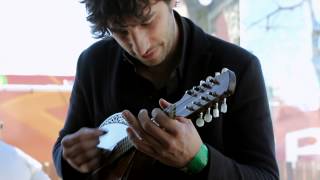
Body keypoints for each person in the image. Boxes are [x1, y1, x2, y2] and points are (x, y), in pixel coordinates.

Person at [52, 0, 279, 179]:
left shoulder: (240, 66)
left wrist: (199, 159)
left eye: (147, 21)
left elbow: (265, 176)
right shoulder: (94, 63)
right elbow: (63, 149)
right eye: (121, 31)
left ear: (171, 1)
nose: (140, 46)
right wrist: (71, 157)